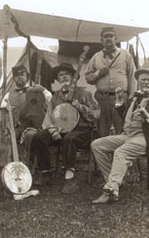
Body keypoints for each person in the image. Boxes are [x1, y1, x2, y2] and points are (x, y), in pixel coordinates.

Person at [30, 63, 99, 192]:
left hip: (82, 131)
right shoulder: (55, 96)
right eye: (60, 75)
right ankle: (45, 173)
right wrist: (53, 131)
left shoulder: (85, 93)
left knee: (69, 139)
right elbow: (48, 117)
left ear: (74, 77)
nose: (64, 77)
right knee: (39, 137)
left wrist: (81, 107)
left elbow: (96, 114)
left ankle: (70, 178)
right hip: (60, 130)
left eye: (67, 74)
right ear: (58, 79)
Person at [91, 60, 149, 204]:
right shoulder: (135, 97)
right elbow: (126, 115)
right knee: (97, 145)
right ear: (138, 81)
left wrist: (148, 117)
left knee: (121, 152)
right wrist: (119, 101)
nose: (146, 83)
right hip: (127, 135)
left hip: (145, 137)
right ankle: (114, 181)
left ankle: (111, 190)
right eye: (143, 80)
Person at [85, 27, 137, 137]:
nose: (108, 39)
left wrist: (132, 97)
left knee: (121, 128)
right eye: (105, 36)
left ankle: (119, 153)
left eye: (111, 36)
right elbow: (88, 78)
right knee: (102, 130)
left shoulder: (125, 55)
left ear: (116, 38)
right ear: (101, 40)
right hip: (102, 99)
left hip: (120, 99)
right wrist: (98, 73)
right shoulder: (96, 57)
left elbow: (133, 76)